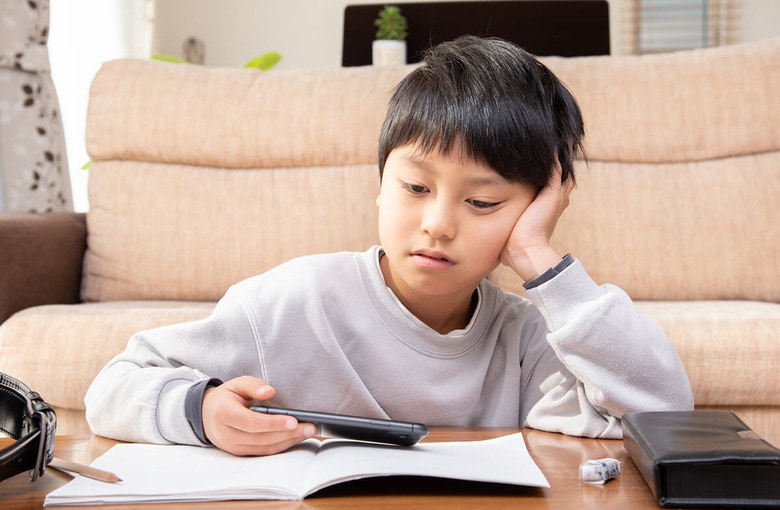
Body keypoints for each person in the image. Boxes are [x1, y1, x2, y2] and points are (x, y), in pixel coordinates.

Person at [85, 36, 693, 456]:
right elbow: (115, 385)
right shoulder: (295, 300)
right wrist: (202, 411)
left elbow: (663, 418)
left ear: (535, 209)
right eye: (414, 187)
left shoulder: (525, 340)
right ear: (379, 186)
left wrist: (540, 260)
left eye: (482, 203)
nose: (437, 223)